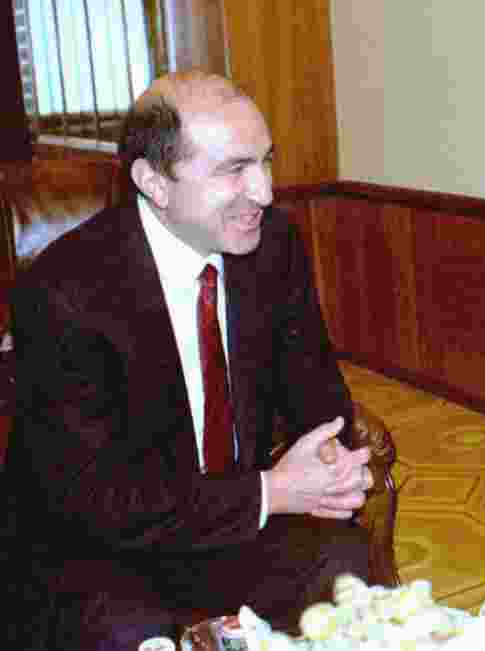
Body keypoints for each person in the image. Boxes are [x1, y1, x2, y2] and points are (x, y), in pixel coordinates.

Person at [4, 71, 376, 650]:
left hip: (228, 527)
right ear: (155, 181)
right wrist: (271, 491)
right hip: (102, 554)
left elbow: (317, 394)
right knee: (129, 636)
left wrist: (328, 461)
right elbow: (93, 500)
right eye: (234, 170)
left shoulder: (273, 246)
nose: (265, 191)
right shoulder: (64, 293)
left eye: (266, 162)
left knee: (348, 567)